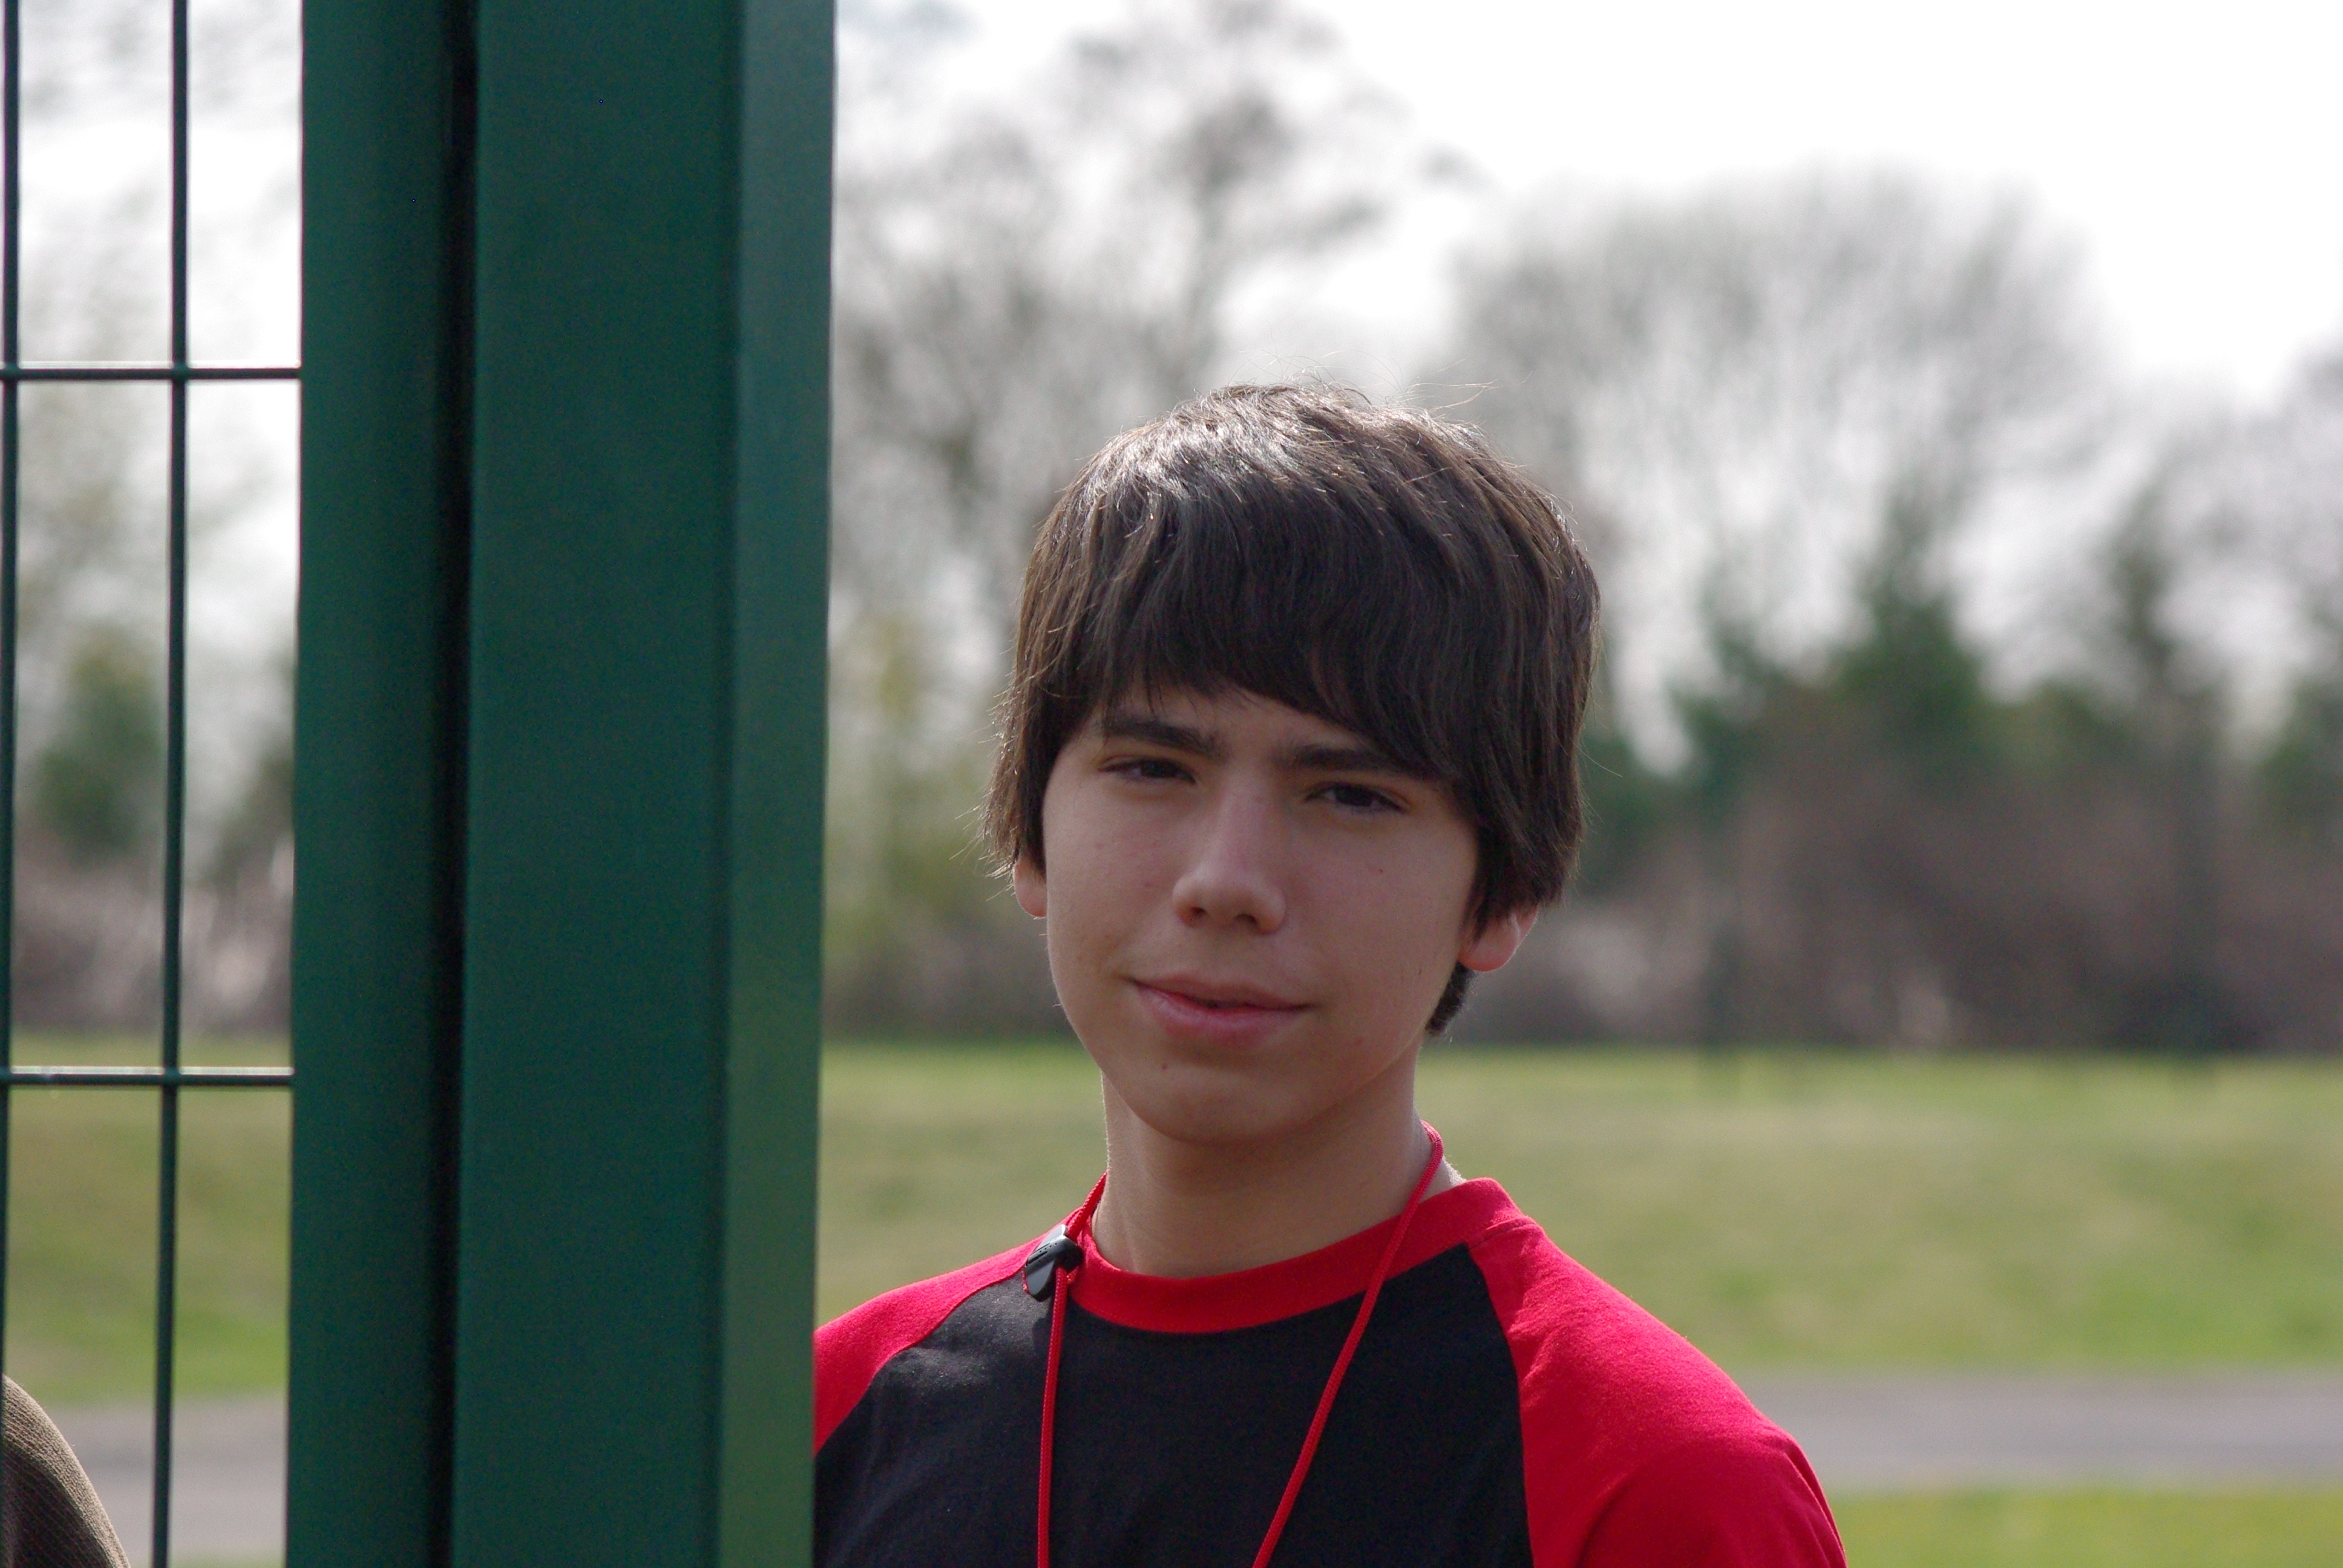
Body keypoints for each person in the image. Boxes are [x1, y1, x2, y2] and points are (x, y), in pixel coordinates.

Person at [814, 386, 1844, 1567]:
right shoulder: (824, 1428)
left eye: (1350, 794)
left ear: (1501, 891)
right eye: (1153, 767)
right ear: (1032, 833)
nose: (1227, 880)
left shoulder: (1655, 1492)